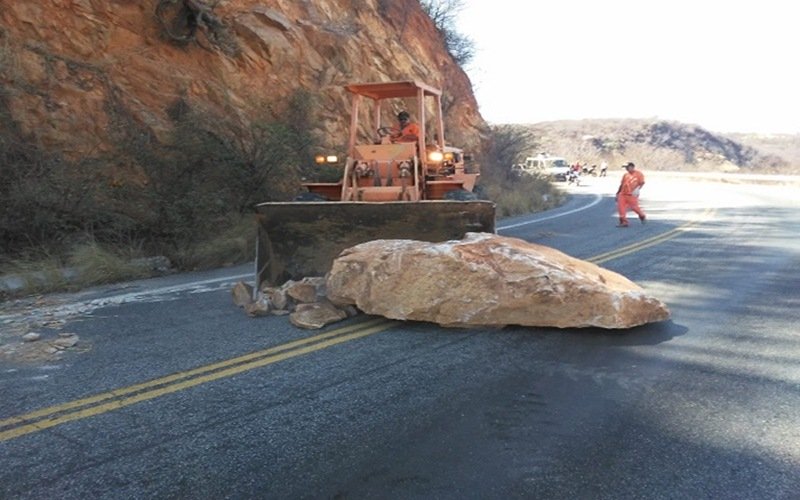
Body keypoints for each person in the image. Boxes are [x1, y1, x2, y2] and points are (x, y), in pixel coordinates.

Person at [615, 161, 646, 227]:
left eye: (627, 167)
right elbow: (622, 184)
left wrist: (637, 189)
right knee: (621, 208)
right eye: (625, 168)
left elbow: (642, 182)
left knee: (634, 207)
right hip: (623, 194)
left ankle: (642, 215)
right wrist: (618, 193)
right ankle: (624, 222)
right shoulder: (625, 175)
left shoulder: (639, 174)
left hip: (632, 194)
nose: (626, 169)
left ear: (632, 167)